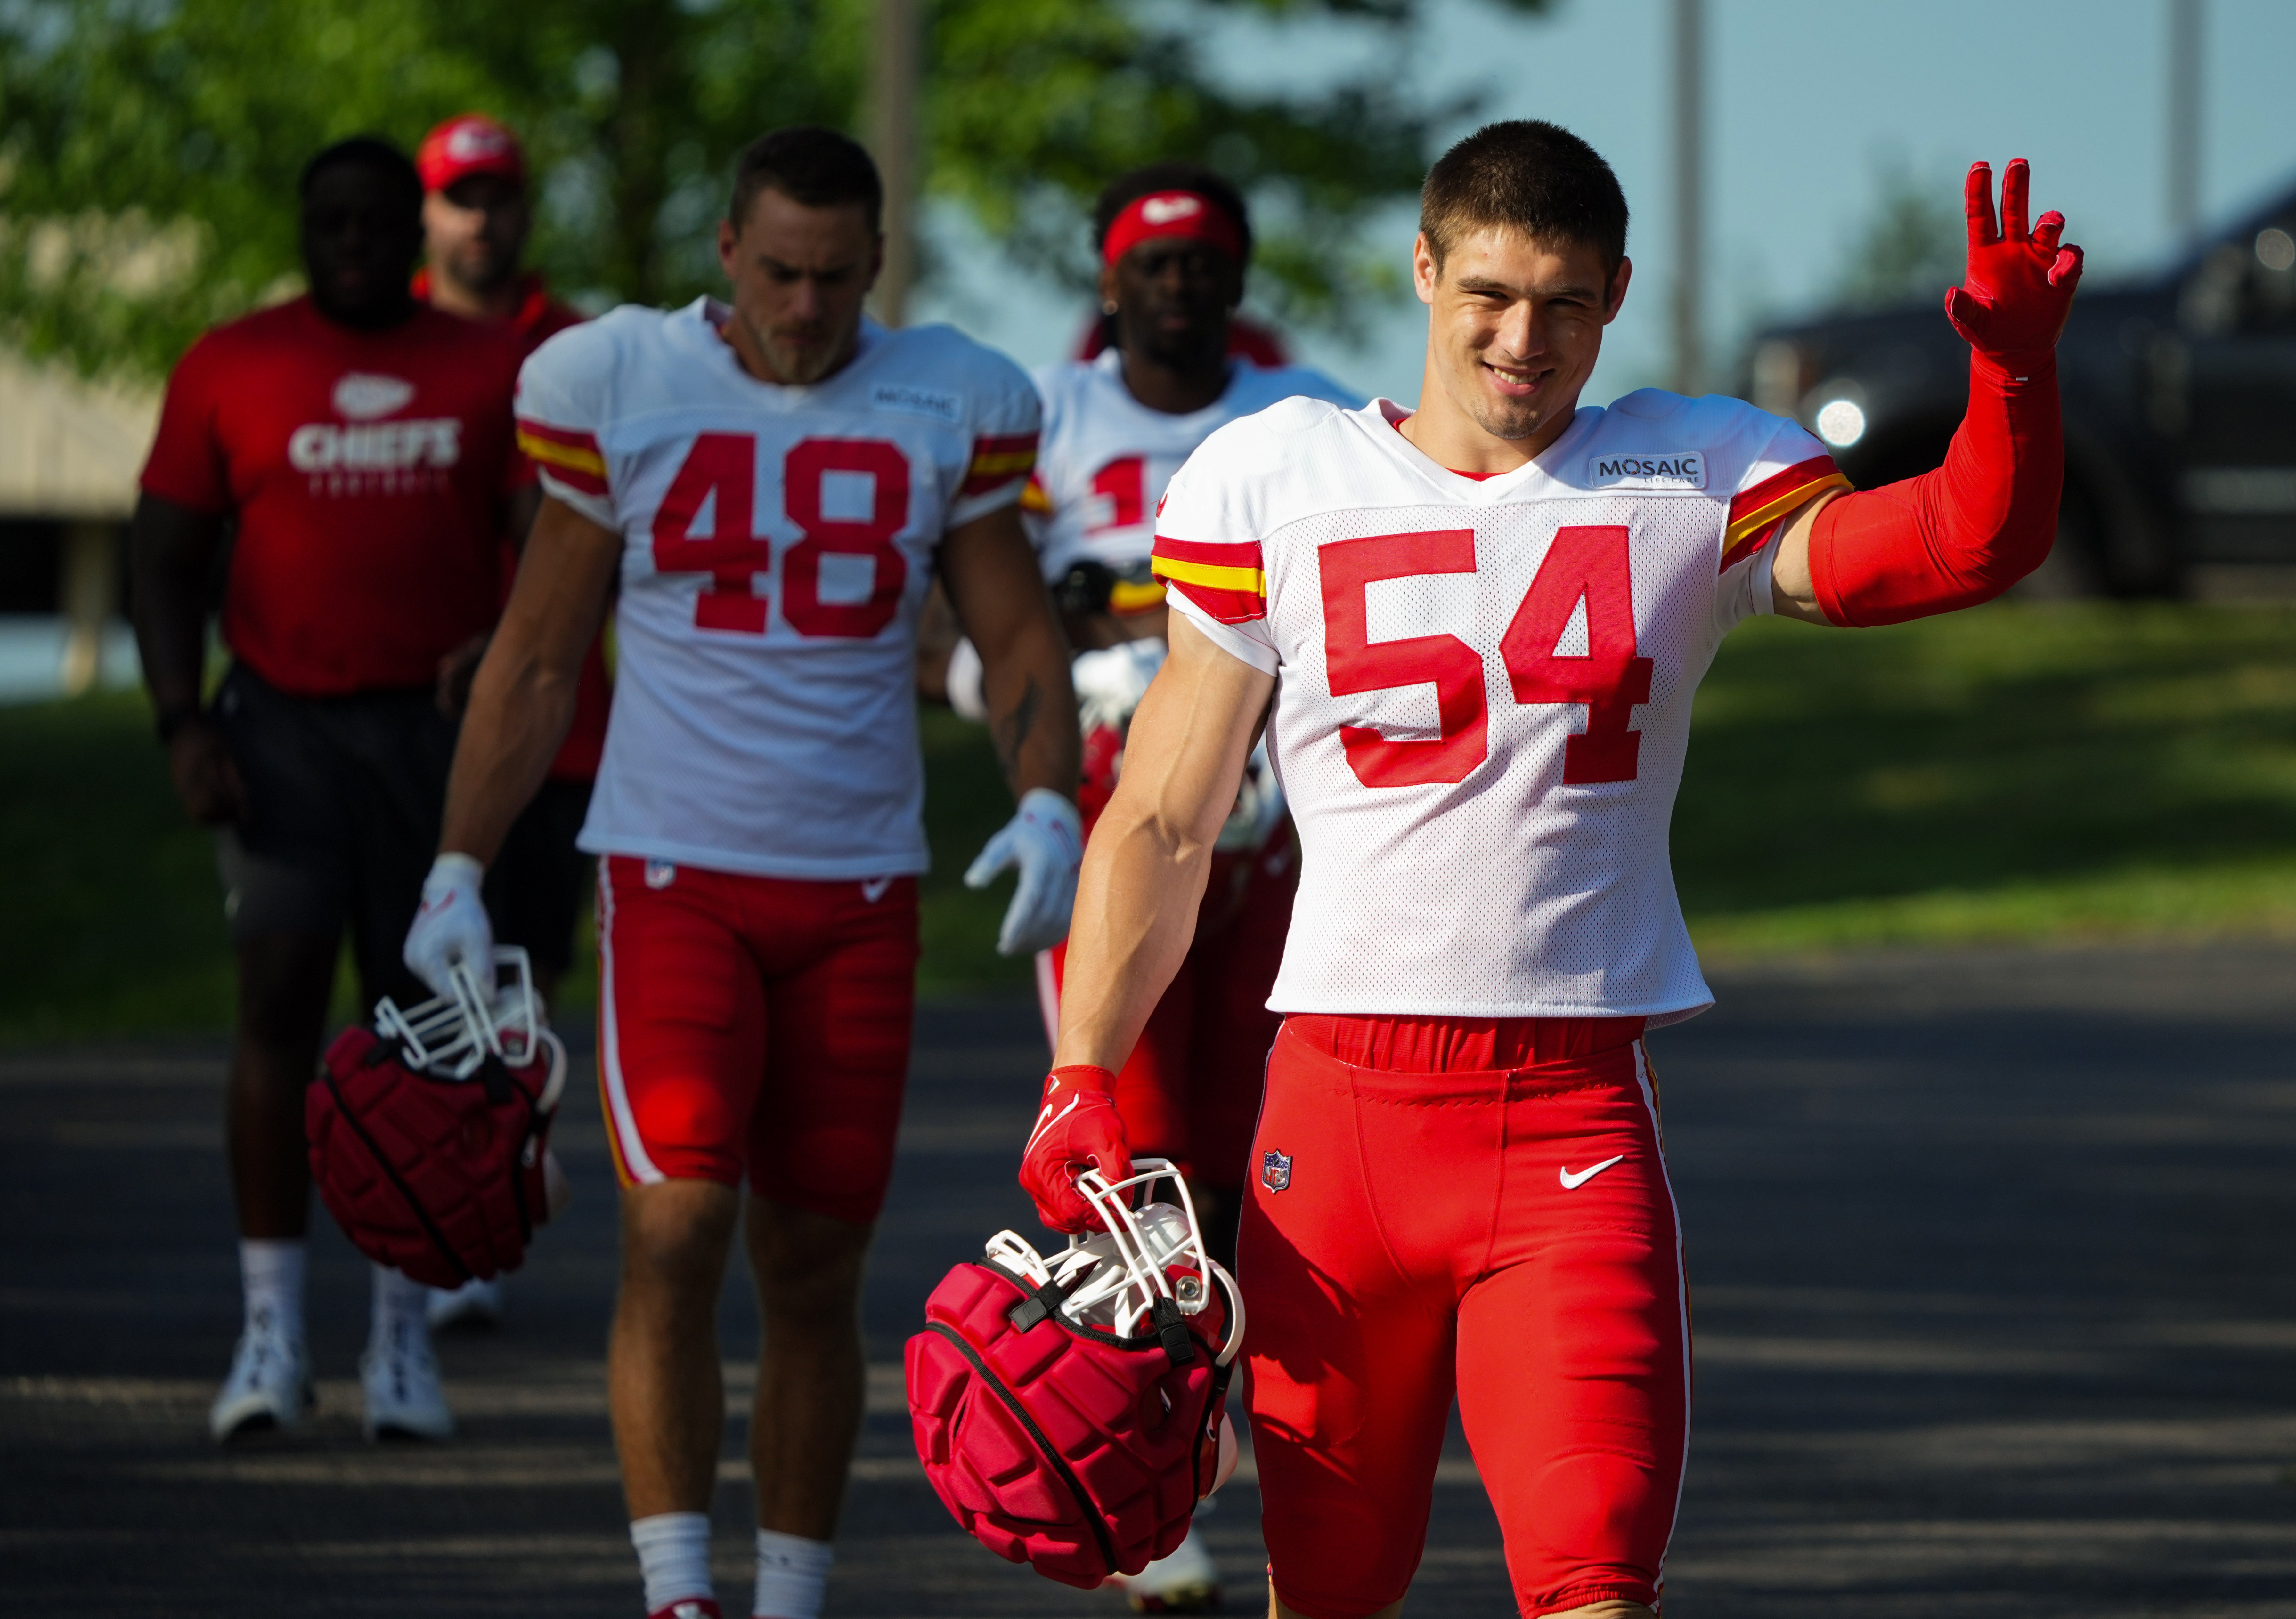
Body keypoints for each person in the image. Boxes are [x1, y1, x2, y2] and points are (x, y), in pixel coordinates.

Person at [1022, 121, 2080, 1619]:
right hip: (1333, 1133)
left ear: (1617, 293)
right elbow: (1162, 818)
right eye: (1491, 297)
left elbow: (1957, 545)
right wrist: (1084, 1067)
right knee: (1321, 1596)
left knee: (1593, 1588)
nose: (1526, 340)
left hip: (1565, 1128)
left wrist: (2013, 382)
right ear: (1423, 270)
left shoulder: (1688, 466)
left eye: (1567, 303)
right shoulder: (1276, 470)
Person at [400, 126, 1080, 1619]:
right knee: (679, 1218)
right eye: (777, 270)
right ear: (724, 251)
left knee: (817, 1261)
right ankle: (677, 1590)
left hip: (857, 888)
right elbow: (534, 652)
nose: (804, 304)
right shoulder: (625, 380)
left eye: (835, 275)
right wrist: (459, 857)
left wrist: (1047, 805)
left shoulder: (946, 396)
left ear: (876, 266)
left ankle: (789, 1594)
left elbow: (1019, 637)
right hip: (675, 872)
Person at [928, 161, 1356, 1614]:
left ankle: (1199, 1436)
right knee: (1129, 1147)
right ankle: (1137, 1457)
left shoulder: (1309, 421)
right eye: (1152, 265)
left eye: (1203, 263)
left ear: (1236, 280)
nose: (1178, 286)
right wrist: (1040, 764)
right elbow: (966, 621)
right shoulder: (1043, 420)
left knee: (1252, 1157)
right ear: (1110, 280)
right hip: (1128, 805)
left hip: (1278, 826)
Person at [130, 135, 533, 1444]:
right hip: (282, 735)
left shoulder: (489, 364)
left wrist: (512, 641)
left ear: (410, 231)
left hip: (433, 741)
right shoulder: (232, 363)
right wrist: (182, 721)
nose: (356, 239)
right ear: (307, 229)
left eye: (376, 220)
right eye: (333, 219)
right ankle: (272, 1331)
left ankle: (402, 1340)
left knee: (426, 1037)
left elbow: (559, 548)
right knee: (278, 1011)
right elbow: (162, 557)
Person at [413, 109, 603, 1333]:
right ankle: (430, 1206)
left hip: (559, 724)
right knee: (418, 965)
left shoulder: (580, 350)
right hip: (405, 713)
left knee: (523, 972)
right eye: (459, 196)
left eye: (499, 195)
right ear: (430, 211)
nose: (482, 217)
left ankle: (478, 1209)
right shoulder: (396, 339)